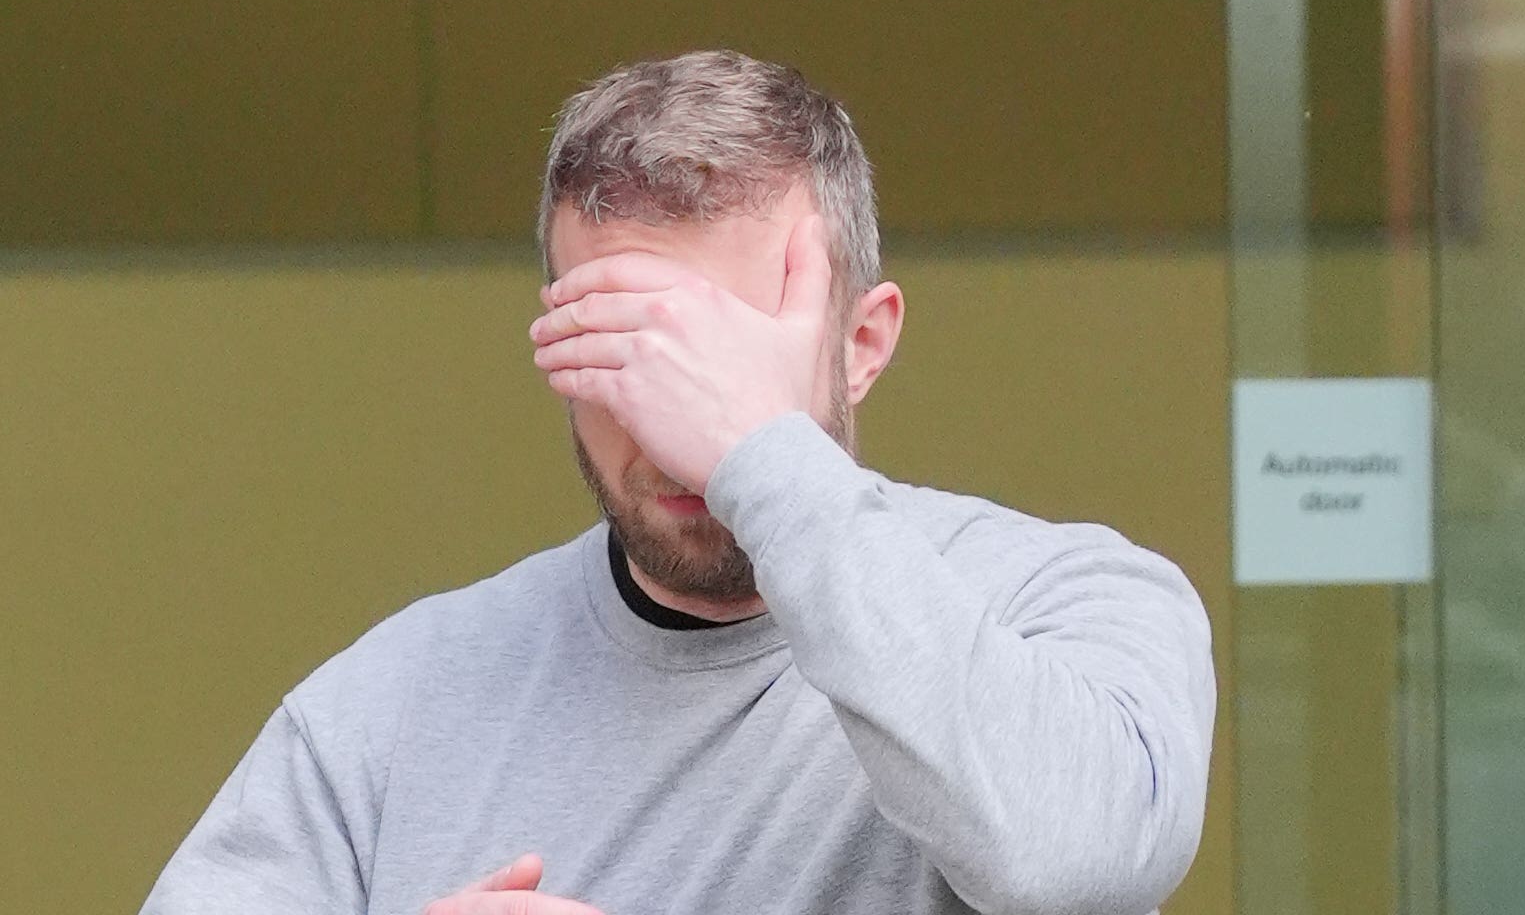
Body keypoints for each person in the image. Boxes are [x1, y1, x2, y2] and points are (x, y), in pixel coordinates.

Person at [141, 49, 1216, 915]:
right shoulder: (391, 707)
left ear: (864, 342)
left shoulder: (1070, 601)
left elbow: (1075, 866)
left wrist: (764, 453)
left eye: (719, 351)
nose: (671, 424)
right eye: (623, 348)